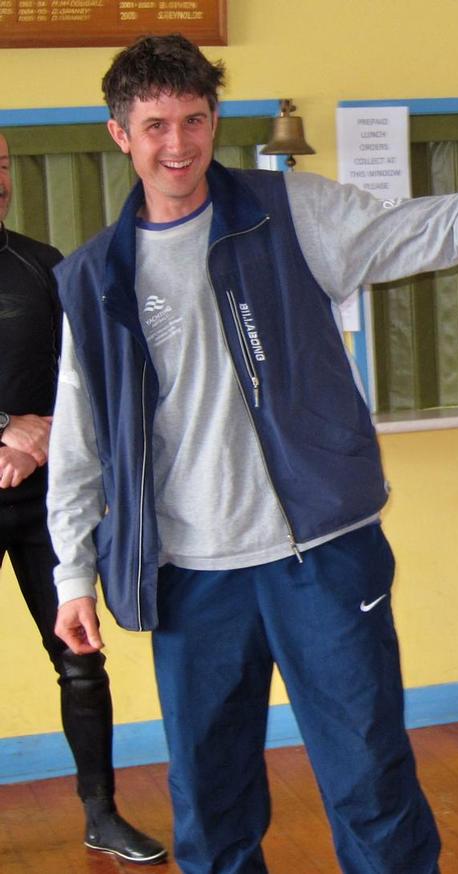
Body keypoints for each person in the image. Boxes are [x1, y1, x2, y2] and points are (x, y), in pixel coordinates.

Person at [47, 33, 458, 874]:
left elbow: (415, 232)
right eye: (155, 125)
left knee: (370, 780)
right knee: (208, 799)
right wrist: (73, 574)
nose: (179, 144)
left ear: (214, 118)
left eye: (194, 120)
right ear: (120, 134)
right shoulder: (92, 278)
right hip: (189, 577)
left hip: (323, 555)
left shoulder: (287, 210)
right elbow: (79, 437)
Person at [0, 133, 167, 865]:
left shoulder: (43, 265)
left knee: (78, 656)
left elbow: (87, 379)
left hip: (44, 503)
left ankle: (101, 813)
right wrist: (8, 427)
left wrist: (40, 438)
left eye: (2, 165)